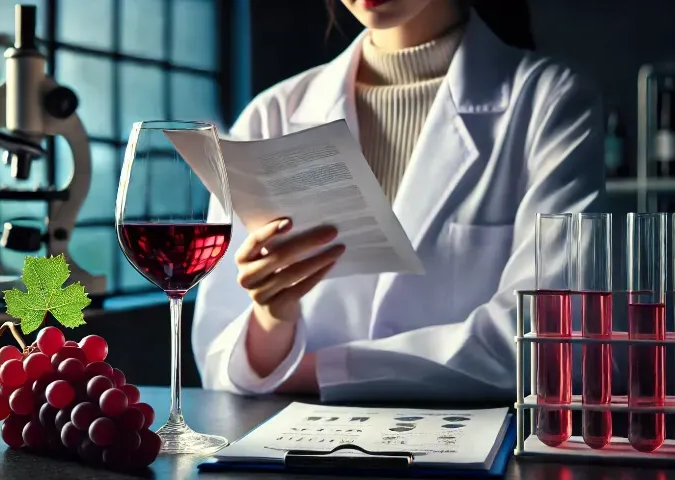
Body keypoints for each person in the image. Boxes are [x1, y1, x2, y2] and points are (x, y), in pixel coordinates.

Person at [192, 0, 605, 402]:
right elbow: (220, 355)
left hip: (476, 458)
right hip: (300, 456)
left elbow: (553, 341)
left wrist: (313, 371)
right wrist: (272, 315)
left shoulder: (549, 102)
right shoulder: (270, 116)